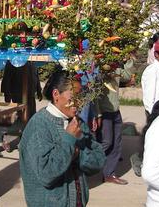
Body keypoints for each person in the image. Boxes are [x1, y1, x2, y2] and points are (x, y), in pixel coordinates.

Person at [19, 69, 106, 207]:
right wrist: (69, 140)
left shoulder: (77, 123)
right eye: (74, 97)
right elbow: (46, 174)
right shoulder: (38, 125)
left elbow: (98, 161)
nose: (79, 102)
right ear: (56, 94)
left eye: (81, 97)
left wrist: (78, 154)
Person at [131, 41, 159, 176]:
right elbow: (149, 96)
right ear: (156, 54)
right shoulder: (151, 71)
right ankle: (139, 159)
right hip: (155, 111)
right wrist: (152, 115)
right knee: (150, 139)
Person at [94, 59, 132, 185]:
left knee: (116, 143)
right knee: (106, 142)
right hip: (105, 112)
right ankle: (85, 162)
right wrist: (98, 114)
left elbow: (127, 77)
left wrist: (129, 60)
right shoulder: (100, 71)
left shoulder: (117, 68)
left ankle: (109, 174)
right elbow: (95, 95)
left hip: (115, 111)